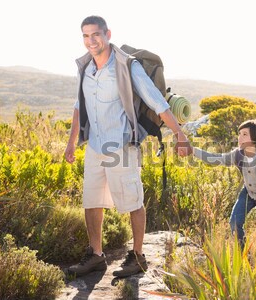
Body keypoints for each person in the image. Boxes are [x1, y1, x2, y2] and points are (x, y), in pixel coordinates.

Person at [64, 15, 191, 278]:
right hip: (95, 146)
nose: (91, 41)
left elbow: (156, 100)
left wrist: (180, 134)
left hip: (121, 145)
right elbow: (79, 105)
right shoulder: (85, 67)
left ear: (107, 34)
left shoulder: (126, 66)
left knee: (132, 201)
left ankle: (138, 256)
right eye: (86, 36)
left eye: (96, 34)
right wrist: (71, 143)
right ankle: (96, 256)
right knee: (92, 200)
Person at [192, 119, 256, 249]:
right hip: (248, 193)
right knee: (234, 223)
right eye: (239, 133)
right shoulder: (238, 154)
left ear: (255, 138)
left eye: (244, 134)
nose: (240, 137)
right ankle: (243, 253)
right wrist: (193, 150)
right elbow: (216, 159)